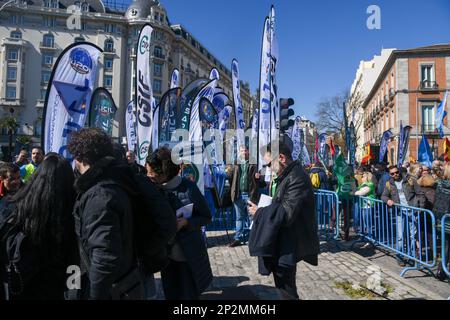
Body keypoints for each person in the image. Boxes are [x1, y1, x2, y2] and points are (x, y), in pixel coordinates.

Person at [68, 128, 143, 300]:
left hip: (113, 289)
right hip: (125, 282)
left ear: (80, 158)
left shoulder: (99, 195)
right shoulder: (115, 180)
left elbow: (104, 257)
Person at [248, 142, 319, 300]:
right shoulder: (286, 174)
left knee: (286, 290)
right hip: (282, 240)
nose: (268, 168)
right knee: (282, 287)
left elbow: (287, 213)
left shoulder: (296, 176)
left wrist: (259, 212)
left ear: (281, 157)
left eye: (269, 163)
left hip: (289, 242)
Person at [0, 154, 77, 300]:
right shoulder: (72, 212)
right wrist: (74, 291)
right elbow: (75, 262)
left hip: (24, 286)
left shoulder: (16, 206)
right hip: (58, 286)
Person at [146, 147, 213, 300]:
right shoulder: (152, 190)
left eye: (151, 173)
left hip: (187, 256)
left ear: (163, 174)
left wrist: (186, 223)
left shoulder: (188, 188)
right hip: (166, 257)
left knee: (188, 294)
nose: (148, 176)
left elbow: (206, 216)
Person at [381, 165, 425, 266]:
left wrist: (420, 208)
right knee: (401, 236)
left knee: (413, 235)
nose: (395, 175)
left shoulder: (410, 180)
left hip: (412, 211)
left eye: (396, 172)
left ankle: (411, 256)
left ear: (399, 171)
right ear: (390, 174)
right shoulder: (389, 184)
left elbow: (420, 194)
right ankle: (399, 255)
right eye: (392, 173)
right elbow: (383, 195)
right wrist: (388, 200)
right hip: (400, 212)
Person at [229, 145, 264, 247]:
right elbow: (231, 178)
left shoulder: (254, 163)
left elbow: (261, 182)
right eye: (242, 150)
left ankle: (252, 238)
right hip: (238, 194)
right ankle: (238, 238)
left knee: (251, 217)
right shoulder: (235, 164)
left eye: (246, 150)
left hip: (250, 195)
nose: (244, 152)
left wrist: (259, 178)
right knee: (239, 218)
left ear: (248, 152)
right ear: (239, 152)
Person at [433, 163, 450, 280]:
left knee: (445, 247)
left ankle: (441, 271)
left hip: (442, 219)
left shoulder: (439, 184)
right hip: (447, 218)